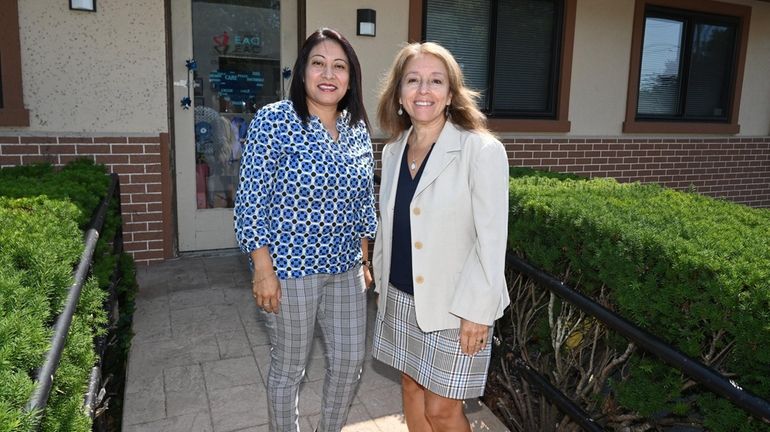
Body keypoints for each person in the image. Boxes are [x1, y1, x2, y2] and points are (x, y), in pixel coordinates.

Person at [233, 28, 377, 432]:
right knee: (290, 368)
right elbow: (250, 202)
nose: (328, 74)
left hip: (346, 269)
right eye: (318, 64)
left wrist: (365, 261)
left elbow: (364, 202)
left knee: (350, 363)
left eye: (339, 66)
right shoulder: (274, 121)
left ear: (350, 77)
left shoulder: (357, 129)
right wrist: (263, 269)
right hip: (290, 272)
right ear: (302, 72)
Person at [371, 42, 510, 432]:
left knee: (442, 410)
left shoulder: (480, 151)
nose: (423, 91)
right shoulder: (394, 151)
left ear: (451, 94)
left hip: (454, 308)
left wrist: (477, 314)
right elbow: (389, 226)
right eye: (412, 81)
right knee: (410, 388)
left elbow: (491, 240)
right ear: (399, 94)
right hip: (399, 297)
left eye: (435, 81)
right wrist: (381, 284)